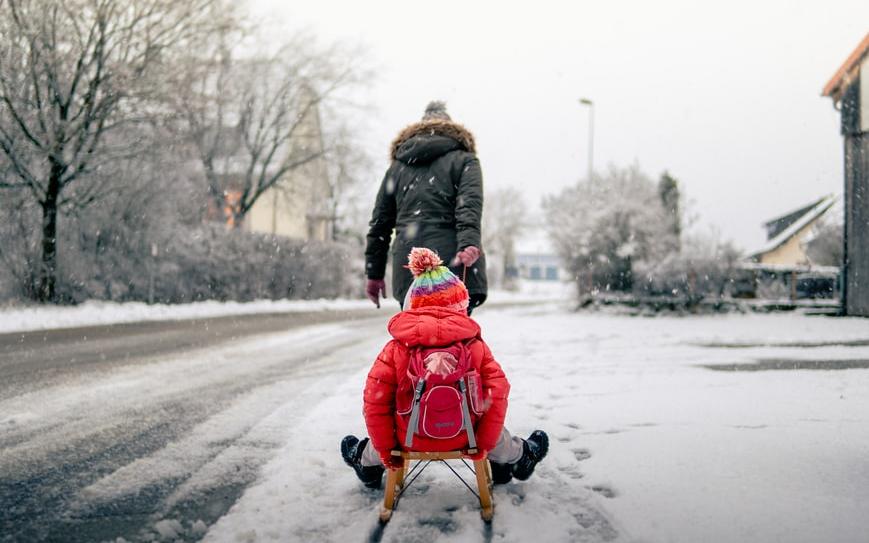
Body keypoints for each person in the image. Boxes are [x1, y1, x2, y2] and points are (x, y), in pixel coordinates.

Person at [342, 248, 548, 489]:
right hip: (465, 436)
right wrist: (483, 444)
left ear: (412, 304)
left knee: (388, 426)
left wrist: (387, 451)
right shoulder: (475, 347)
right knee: (491, 427)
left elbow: (375, 402)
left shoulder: (396, 349)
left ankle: (366, 463)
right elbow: (498, 392)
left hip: (408, 439)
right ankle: (519, 456)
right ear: (461, 305)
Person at [365, 101, 487, 315]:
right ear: (451, 128)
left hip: (409, 265)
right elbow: (469, 207)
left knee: (415, 337)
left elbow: (380, 224)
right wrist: (468, 243)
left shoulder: (397, 167)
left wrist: (374, 274)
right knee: (454, 338)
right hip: (453, 263)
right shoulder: (465, 160)